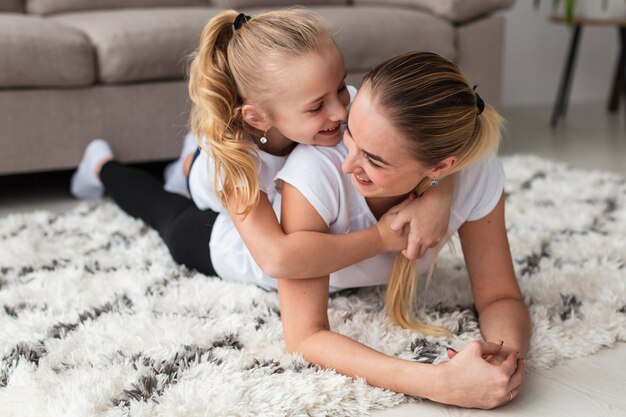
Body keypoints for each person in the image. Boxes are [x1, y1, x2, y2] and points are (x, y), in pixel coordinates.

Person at [70, 9, 454, 286]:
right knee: (174, 200)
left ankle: (192, 153)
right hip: (213, 178)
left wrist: (438, 192)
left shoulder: (341, 107)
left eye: (340, 86)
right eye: (317, 105)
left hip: (262, 156)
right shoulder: (237, 164)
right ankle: (105, 164)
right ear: (258, 118)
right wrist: (382, 238)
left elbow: (443, 137)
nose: (342, 109)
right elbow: (275, 256)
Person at [274, 52, 531, 409]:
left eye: (374, 160)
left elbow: (500, 296)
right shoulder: (315, 171)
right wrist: (437, 382)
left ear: (442, 166)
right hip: (229, 251)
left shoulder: (475, 174)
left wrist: (506, 359)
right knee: (183, 201)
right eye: (350, 131)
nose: (348, 163)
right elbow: (304, 337)